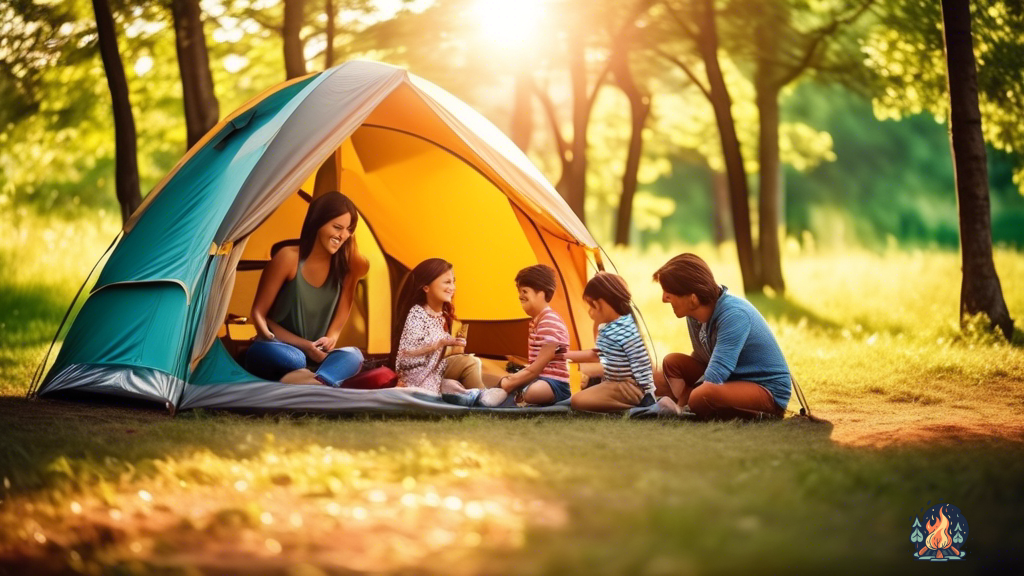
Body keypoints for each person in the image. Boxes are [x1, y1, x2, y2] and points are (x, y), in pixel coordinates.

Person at [246, 191, 368, 387]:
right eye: (337, 227)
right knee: (294, 359)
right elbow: (259, 315)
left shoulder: (345, 269)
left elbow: (339, 319)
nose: (342, 235)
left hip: (315, 357)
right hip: (278, 349)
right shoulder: (288, 258)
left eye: (348, 230)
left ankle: (311, 381)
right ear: (317, 222)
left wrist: (331, 339)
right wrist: (299, 345)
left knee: (354, 355)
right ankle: (321, 381)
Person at [652, 253, 791, 420]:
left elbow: (716, 374)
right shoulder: (693, 315)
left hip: (765, 389)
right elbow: (702, 356)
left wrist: (694, 393)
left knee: (701, 396)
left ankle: (690, 408)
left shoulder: (734, 315)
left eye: (669, 292)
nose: (664, 298)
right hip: (731, 380)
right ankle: (683, 406)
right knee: (672, 362)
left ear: (693, 299)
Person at [391, 258, 484, 403]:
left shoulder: (443, 315)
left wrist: (455, 345)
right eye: (447, 282)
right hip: (416, 375)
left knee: (471, 362)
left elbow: (440, 355)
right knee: (449, 388)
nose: (452, 287)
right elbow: (406, 352)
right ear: (426, 287)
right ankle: (481, 400)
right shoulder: (417, 313)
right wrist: (439, 343)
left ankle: (483, 397)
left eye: (453, 282)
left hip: (436, 370)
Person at [479, 265, 571, 407]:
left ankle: (515, 397)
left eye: (524, 291)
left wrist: (511, 382)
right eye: (519, 291)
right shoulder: (535, 322)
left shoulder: (549, 321)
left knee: (533, 391)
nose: (520, 295)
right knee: (490, 376)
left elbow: (537, 368)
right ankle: (509, 394)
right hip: (536, 378)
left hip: (554, 385)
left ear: (541, 293)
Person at [567, 272, 655, 412]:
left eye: (591, 307)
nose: (590, 313)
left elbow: (597, 358)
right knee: (578, 399)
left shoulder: (619, 329)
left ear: (599, 304)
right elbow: (597, 354)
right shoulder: (612, 326)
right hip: (616, 383)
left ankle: (640, 409)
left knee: (578, 401)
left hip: (628, 387)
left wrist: (570, 360)